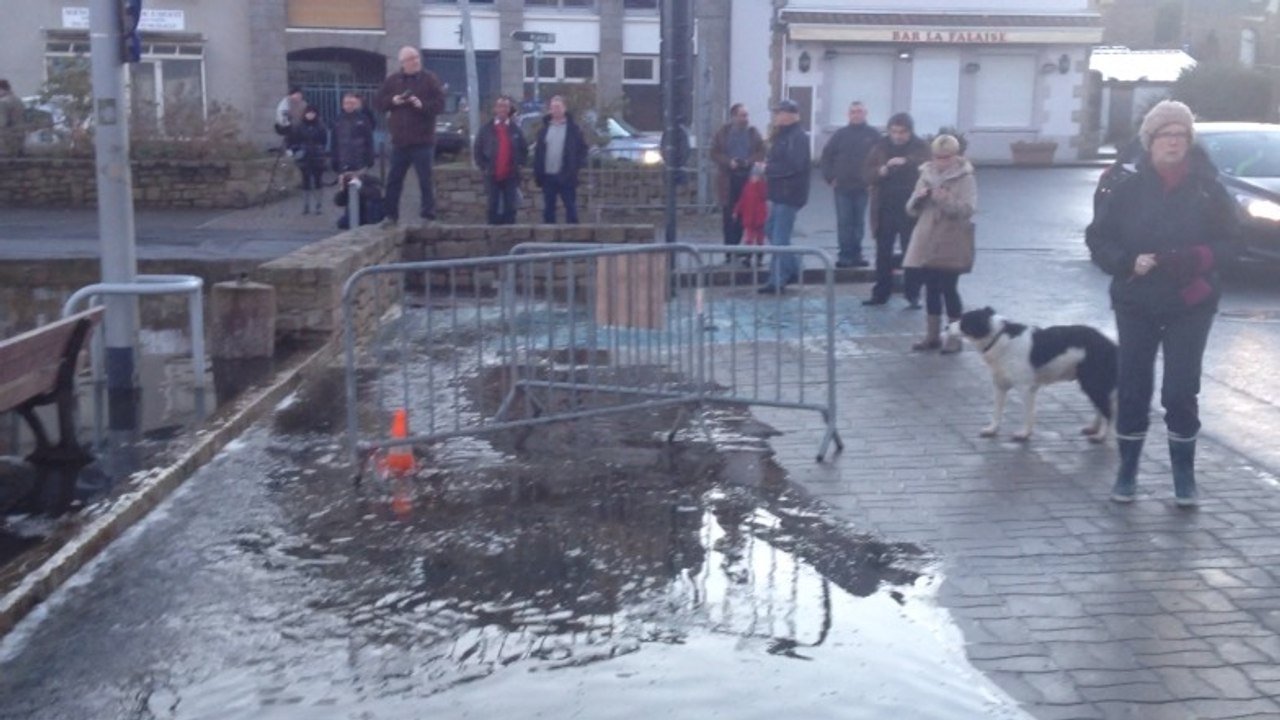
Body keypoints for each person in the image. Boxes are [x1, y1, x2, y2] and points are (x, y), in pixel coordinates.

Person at [1085, 100, 1237, 507]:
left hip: (1191, 302)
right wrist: (1125, 262)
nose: (1173, 142)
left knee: (1180, 389)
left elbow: (1232, 240)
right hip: (1136, 299)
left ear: (1189, 141)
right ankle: (1127, 471)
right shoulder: (1125, 186)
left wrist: (1197, 258)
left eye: (1180, 136)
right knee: (1134, 387)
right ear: (1149, 142)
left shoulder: (1207, 187)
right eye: (1166, 136)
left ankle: (1183, 476)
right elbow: (1097, 238)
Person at [902, 134, 977, 353]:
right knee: (931, 288)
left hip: (950, 239)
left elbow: (967, 210)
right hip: (926, 237)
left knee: (949, 288)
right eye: (937, 157)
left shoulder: (966, 177)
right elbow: (910, 208)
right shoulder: (926, 173)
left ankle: (955, 337)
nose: (941, 162)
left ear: (956, 156)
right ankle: (932, 336)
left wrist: (945, 200)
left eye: (946, 158)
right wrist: (920, 198)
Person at [863, 112, 930, 307]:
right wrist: (881, 171)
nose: (898, 136)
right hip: (884, 206)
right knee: (883, 252)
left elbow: (927, 165)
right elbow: (867, 174)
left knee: (912, 251)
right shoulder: (880, 146)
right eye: (894, 132)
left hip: (911, 207)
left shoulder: (920, 147)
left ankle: (913, 294)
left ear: (909, 132)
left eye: (902, 132)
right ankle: (881, 293)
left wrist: (906, 162)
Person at [375, 46, 446, 227]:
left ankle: (428, 216)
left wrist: (421, 104)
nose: (416, 61)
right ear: (403, 63)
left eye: (417, 57)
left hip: (423, 140)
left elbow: (440, 104)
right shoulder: (393, 81)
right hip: (400, 141)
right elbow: (378, 103)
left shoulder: (429, 79)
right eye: (411, 58)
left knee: (425, 180)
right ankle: (390, 216)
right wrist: (394, 101)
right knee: (394, 180)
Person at [758, 98, 811, 294]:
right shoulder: (783, 135)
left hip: (790, 193)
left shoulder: (798, 137)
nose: (776, 116)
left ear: (791, 115)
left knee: (780, 238)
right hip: (779, 192)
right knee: (771, 230)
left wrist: (768, 168)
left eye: (780, 112)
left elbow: (794, 166)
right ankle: (793, 268)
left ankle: (777, 280)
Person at [821, 101, 880, 267]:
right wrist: (830, 177)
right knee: (844, 222)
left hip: (863, 187)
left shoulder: (874, 135)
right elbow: (826, 157)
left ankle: (857, 255)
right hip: (842, 187)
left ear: (865, 113)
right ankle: (844, 255)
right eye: (853, 112)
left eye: (859, 111)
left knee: (859, 223)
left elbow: (881, 158)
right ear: (848, 115)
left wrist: (874, 180)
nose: (856, 114)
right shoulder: (840, 135)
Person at [710, 103, 766, 262]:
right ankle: (729, 251)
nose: (745, 119)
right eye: (742, 115)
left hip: (747, 180)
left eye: (746, 115)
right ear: (733, 116)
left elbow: (762, 151)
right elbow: (714, 153)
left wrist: (749, 162)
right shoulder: (722, 133)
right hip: (728, 180)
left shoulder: (753, 133)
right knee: (728, 216)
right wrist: (729, 162)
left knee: (745, 216)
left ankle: (742, 249)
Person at [532, 95, 590, 224]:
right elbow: (539, 152)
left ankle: (574, 239)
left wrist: (574, 168)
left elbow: (582, 150)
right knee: (548, 210)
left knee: (571, 208)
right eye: (553, 107)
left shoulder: (574, 130)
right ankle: (548, 239)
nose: (555, 110)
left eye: (558, 107)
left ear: (564, 108)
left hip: (567, 176)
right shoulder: (544, 130)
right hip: (548, 177)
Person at [473, 94, 529, 225]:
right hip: (492, 175)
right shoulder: (486, 129)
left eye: (506, 107)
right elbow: (477, 150)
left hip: (511, 176)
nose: (503, 109)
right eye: (500, 106)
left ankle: (510, 235)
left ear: (509, 109)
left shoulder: (516, 130)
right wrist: (484, 167)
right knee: (492, 206)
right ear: (495, 109)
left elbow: (523, 150)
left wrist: (519, 165)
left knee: (510, 207)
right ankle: (492, 237)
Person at [287, 106, 329, 215]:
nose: (310, 115)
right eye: (308, 113)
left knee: (318, 181)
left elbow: (324, 141)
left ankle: (318, 205)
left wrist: (321, 151)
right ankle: (306, 205)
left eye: (312, 113)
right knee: (305, 181)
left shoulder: (321, 126)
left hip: (317, 156)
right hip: (304, 156)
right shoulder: (299, 126)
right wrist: (296, 150)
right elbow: (294, 140)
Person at [331, 92, 375, 177]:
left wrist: (370, 158)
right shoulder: (338, 120)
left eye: (352, 103)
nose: (349, 105)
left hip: (360, 163)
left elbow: (369, 140)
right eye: (346, 103)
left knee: (360, 188)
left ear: (356, 105)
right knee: (344, 189)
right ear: (342, 105)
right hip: (342, 163)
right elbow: (334, 143)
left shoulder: (363, 119)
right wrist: (334, 160)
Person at [734, 161, 769, 262]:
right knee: (749, 238)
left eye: (756, 175)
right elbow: (742, 200)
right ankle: (748, 257)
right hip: (750, 217)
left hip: (758, 217)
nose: (754, 177)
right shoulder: (748, 186)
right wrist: (736, 211)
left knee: (759, 238)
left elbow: (764, 195)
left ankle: (758, 257)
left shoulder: (761, 186)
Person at [0, 79, 24, 156]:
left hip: (6, 136)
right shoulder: (18, 100)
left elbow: (2, 122)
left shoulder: (3, 102)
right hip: (20, 133)